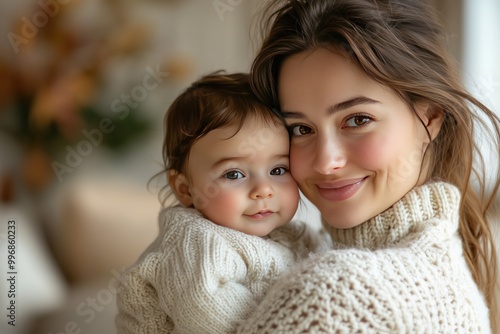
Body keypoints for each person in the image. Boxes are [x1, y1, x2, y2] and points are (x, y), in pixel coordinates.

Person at [236, 0, 500, 333]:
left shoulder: (336, 295)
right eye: (300, 129)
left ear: (429, 118)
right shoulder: (451, 275)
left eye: (358, 120)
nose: (326, 162)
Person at [115, 72, 326, 334]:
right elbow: (205, 312)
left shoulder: (291, 234)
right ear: (185, 189)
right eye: (234, 174)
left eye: (278, 170)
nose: (263, 190)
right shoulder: (192, 241)